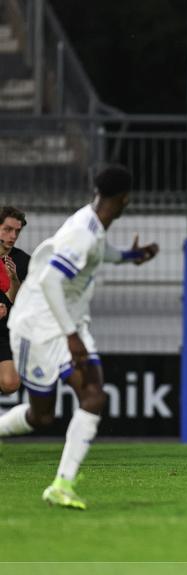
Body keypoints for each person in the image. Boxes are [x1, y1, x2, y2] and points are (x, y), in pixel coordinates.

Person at [0, 165, 159, 509]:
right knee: (41, 416)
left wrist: (130, 256)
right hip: (37, 327)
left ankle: (62, 484)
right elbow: (50, 281)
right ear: (125, 198)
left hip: (65, 322)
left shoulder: (93, 224)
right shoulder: (83, 233)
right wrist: (72, 336)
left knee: (93, 395)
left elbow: (99, 252)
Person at [0, 206, 30, 394]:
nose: (13, 236)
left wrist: (14, 281)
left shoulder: (24, 262)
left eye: (17, 231)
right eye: (8, 229)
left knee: (11, 383)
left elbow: (25, 303)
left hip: (6, 333)